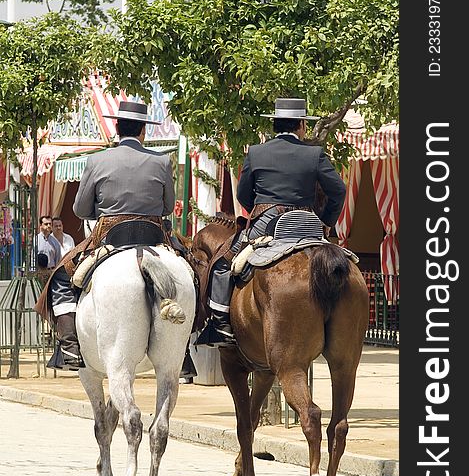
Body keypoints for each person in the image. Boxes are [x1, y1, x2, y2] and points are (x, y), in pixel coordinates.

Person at [195, 97, 347, 347]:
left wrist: (259, 207)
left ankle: (221, 323)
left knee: (223, 264)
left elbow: (243, 195)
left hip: (266, 221)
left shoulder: (256, 152)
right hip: (306, 224)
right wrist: (326, 222)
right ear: (302, 125)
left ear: (275, 125)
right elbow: (338, 191)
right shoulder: (314, 154)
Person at [46, 100, 175, 370]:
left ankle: (69, 345)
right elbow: (166, 207)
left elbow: (80, 210)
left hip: (110, 237)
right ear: (143, 131)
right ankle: (184, 351)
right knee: (193, 273)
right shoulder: (162, 161)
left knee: (61, 275)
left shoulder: (97, 160)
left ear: (117, 129)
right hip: (154, 235)